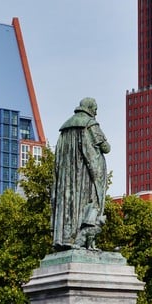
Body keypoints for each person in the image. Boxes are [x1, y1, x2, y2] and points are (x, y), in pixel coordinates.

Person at [50, 97, 111, 250]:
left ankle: (66, 238)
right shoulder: (90, 124)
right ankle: (79, 239)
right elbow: (106, 148)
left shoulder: (65, 129)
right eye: (95, 109)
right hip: (84, 176)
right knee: (89, 202)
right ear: (90, 108)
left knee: (68, 204)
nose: (96, 112)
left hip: (66, 177)